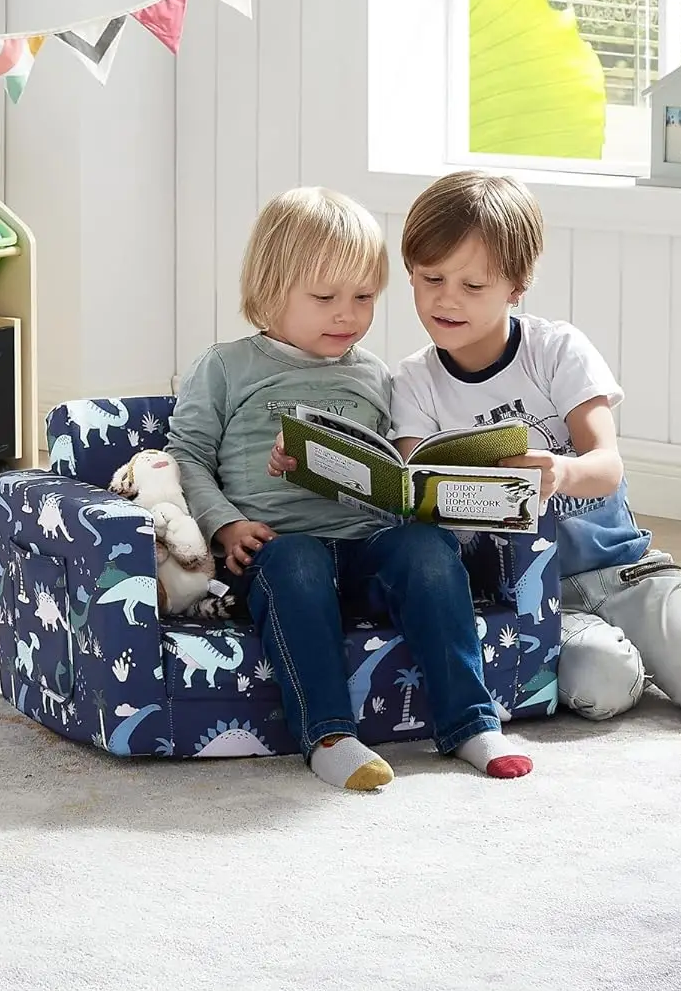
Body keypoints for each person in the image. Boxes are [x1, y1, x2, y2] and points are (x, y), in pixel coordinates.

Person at [386, 169, 681, 728]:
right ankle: (662, 651)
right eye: (431, 278)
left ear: (516, 287)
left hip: (620, 572)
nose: (446, 299)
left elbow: (606, 465)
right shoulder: (413, 382)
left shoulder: (556, 350)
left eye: (472, 286)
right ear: (410, 272)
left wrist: (560, 471)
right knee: (602, 688)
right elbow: (417, 485)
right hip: (531, 597)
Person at [167, 186, 532, 790]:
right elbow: (186, 455)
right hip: (277, 552)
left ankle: (470, 722)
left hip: (365, 546)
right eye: (325, 298)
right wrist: (225, 525)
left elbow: (389, 464)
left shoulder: (374, 374)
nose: (348, 315)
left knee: (427, 549)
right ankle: (330, 736)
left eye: (364, 298)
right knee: (298, 560)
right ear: (271, 287)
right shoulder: (228, 366)